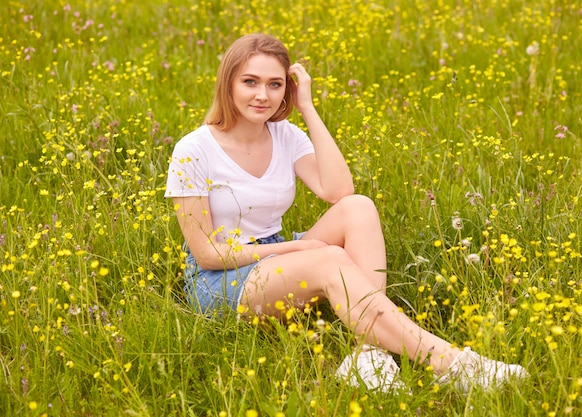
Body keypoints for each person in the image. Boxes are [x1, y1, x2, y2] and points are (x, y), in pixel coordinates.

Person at [165, 33, 528, 393]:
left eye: (275, 84)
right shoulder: (194, 150)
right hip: (220, 280)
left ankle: (368, 354)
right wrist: (296, 249)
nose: (263, 95)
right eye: (250, 82)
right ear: (227, 83)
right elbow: (208, 255)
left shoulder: (285, 135)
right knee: (329, 260)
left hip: (273, 255)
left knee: (358, 208)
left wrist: (307, 108)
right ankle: (450, 363)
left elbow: (338, 192)